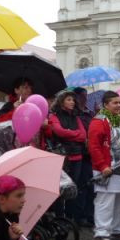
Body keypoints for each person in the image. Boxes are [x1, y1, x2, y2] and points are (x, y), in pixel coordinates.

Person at [88, 91, 120, 240]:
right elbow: (94, 146)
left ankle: (117, 228)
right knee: (105, 201)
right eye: (115, 103)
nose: (119, 105)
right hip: (107, 168)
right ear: (105, 105)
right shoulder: (99, 121)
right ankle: (101, 233)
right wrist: (102, 166)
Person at [48, 90, 87, 219]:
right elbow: (59, 132)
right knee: (61, 187)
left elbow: (83, 136)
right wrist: (74, 133)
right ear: (61, 101)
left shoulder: (76, 117)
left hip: (77, 156)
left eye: (73, 100)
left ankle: (71, 216)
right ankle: (60, 217)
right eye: (69, 100)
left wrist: (70, 133)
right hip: (63, 157)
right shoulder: (54, 116)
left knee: (73, 187)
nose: (72, 102)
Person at [73, 87, 95, 227]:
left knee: (90, 186)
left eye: (86, 95)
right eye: (82, 95)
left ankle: (90, 215)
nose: (85, 97)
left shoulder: (90, 112)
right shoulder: (75, 114)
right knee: (80, 186)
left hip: (90, 154)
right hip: (79, 153)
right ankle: (79, 216)